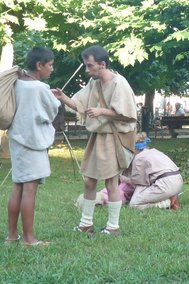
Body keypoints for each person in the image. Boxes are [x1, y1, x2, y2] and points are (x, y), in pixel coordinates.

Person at [52, 45, 137, 236]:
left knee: (110, 184)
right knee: (89, 182)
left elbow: (128, 115)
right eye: (86, 66)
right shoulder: (94, 84)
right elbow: (79, 105)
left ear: (102, 64)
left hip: (112, 139)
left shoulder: (119, 83)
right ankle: (86, 224)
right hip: (97, 137)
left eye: (90, 66)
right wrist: (62, 97)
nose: (87, 70)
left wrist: (102, 111)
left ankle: (113, 227)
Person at [6, 47, 61, 246]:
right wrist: (56, 98)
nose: (52, 69)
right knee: (29, 190)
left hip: (17, 140)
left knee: (18, 188)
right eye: (50, 65)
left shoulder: (17, 84)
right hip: (33, 143)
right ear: (39, 65)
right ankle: (29, 239)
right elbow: (51, 110)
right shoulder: (39, 88)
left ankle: (12, 236)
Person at [127, 133, 182, 209]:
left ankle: (167, 202)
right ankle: (169, 196)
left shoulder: (139, 157)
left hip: (165, 185)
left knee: (134, 204)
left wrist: (125, 179)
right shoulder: (154, 151)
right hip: (178, 181)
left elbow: (139, 184)